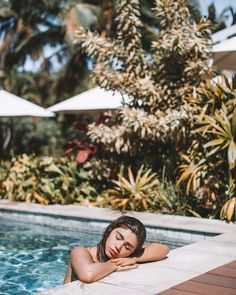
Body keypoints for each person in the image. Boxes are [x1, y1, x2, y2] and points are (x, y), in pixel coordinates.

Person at [64, 215, 169, 284]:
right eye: (118, 237)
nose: (118, 247)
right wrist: (114, 265)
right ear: (110, 230)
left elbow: (164, 249)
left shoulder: (129, 255)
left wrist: (134, 259)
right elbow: (88, 274)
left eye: (127, 247)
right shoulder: (80, 252)